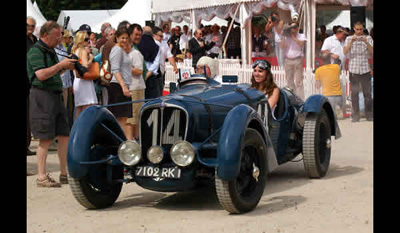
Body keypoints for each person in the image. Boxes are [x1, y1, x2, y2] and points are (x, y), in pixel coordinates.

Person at [27, 21, 77, 187]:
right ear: (46, 35)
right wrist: (60, 65)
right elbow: (41, 75)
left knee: (64, 135)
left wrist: (66, 67)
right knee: (45, 137)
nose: (59, 40)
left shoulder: (50, 50)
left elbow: (54, 72)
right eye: (57, 37)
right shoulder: (35, 51)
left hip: (55, 95)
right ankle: (41, 176)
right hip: (42, 95)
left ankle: (64, 173)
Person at [343, 22, 373, 122]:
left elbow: (372, 52)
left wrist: (366, 42)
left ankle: (369, 115)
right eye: (357, 29)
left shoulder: (368, 38)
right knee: (354, 94)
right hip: (354, 69)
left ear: (363, 29)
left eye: (361, 29)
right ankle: (356, 115)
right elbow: (345, 51)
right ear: (354, 29)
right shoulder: (348, 38)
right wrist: (351, 42)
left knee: (367, 94)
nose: (359, 31)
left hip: (365, 69)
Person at [108, 27, 134, 139]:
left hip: (123, 85)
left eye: (126, 38)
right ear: (117, 37)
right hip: (118, 86)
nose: (124, 40)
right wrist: (124, 87)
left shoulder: (121, 50)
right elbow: (115, 70)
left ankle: (122, 142)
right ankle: (120, 142)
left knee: (123, 118)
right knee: (120, 118)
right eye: (122, 38)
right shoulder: (117, 50)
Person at [72, 31, 98, 119]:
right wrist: (91, 58)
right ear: (80, 40)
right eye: (86, 39)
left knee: (79, 108)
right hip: (84, 81)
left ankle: (76, 130)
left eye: (88, 39)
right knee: (87, 106)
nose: (88, 41)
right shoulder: (82, 51)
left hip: (77, 81)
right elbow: (85, 66)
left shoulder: (74, 50)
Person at [127, 23, 146, 141]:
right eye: (136, 34)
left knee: (134, 116)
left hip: (136, 87)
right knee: (132, 116)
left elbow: (139, 70)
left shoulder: (135, 52)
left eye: (140, 35)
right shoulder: (130, 50)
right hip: (132, 86)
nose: (138, 37)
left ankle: (135, 140)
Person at [281, 21, 307, 99]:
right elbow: (282, 46)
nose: (292, 29)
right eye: (291, 28)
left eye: (294, 27)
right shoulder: (286, 37)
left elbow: (302, 44)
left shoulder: (301, 36)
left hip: (297, 59)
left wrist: (293, 37)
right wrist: (283, 36)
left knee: (299, 81)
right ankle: (292, 97)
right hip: (288, 60)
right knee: (289, 80)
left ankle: (301, 98)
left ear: (297, 28)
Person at [314, 53, 343, 119]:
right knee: (336, 106)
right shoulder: (336, 67)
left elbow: (317, 86)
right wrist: (330, 54)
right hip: (338, 95)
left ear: (321, 60)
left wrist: (322, 81)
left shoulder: (319, 70)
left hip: (328, 96)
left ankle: (333, 112)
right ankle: (337, 108)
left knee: (327, 114)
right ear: (330, 59)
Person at [138, 26, 161, 99]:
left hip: (138, 75)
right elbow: (156, 64)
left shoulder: (137, 45)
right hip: (151, 77)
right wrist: (147, 74)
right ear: (152, 35)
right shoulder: (156, 46)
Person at [27, 16, 38, 157]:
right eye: (28, 25)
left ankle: (27, 144)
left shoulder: (34, 40)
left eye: (32, 26)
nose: (30, 28)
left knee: (29, 116)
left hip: (32, 82)